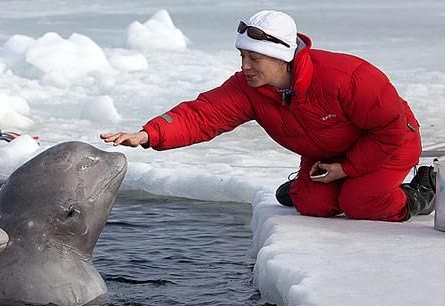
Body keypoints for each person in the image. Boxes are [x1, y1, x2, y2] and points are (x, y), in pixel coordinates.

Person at [100, 10, 436, 222]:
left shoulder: (346, 77)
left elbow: (390, 130)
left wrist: (345, 170)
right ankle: (304, 187)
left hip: (390, 144)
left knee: (360, 202)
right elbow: (203, 115)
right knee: (314, 205)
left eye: (254, 59)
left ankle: (421, 193)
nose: (244, 66)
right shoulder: (249, 88)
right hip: (329, 153)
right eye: (242, 56)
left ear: (281, 58)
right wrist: (149, 134)